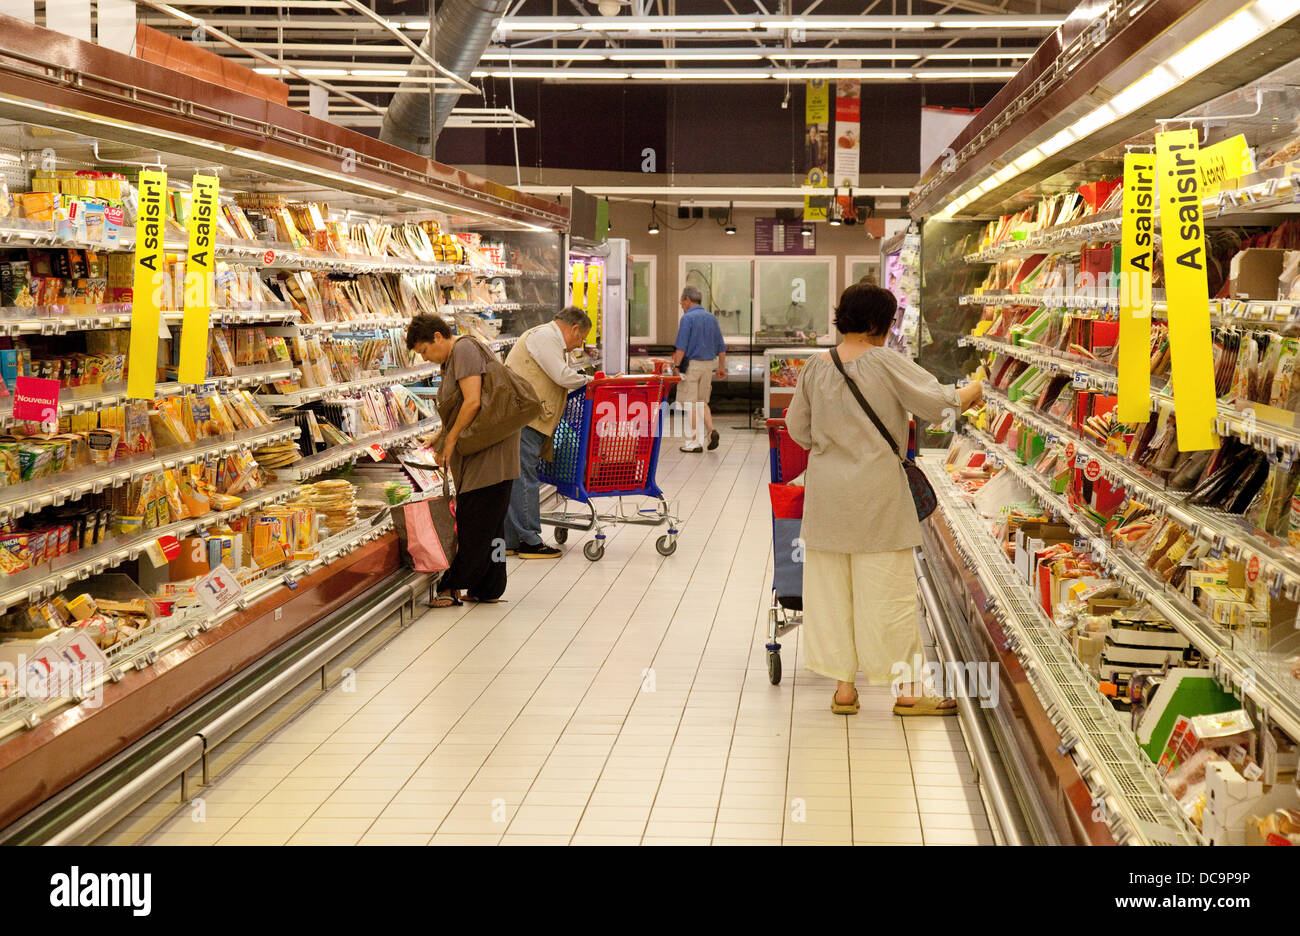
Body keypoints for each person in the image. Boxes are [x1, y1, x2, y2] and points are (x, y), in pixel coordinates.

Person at [785, 284, 982, 716]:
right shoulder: (887, 363)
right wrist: (974, 389)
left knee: (833, 596)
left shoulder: (816, 367)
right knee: (888, 597)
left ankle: (843, 691)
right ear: (877, 323)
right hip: (877, 500)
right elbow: (939, 405)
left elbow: (797, 429)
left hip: (828, 502)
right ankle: (908, 692)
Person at [406, 313, 520, 607]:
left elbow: (473, 402)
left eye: (425, 350)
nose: (426, 357)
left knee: (476, 520)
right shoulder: (454, 357)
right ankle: (490, 587)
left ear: (438, 337)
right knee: (491, 521)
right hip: (489, 447)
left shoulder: (464, 350)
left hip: (489, 453)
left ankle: (452, 587)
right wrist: (440, 434)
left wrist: (451, 441)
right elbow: (460, 406)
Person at [503, 306, 592, 558]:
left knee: (517, 475)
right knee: (524, 477)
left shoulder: (547, 338)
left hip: (527, 417)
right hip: (525, 418)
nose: (578, 345)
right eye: (580, 339)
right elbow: (562, 376)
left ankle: (511, 540)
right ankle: (530, 541)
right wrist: (591, 381)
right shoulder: (544, 337)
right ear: (574, 328)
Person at [672, 285, 727, 453]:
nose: (681, 305)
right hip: (709, 365)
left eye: (682, 302)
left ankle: (694, 442)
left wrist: (675, 366)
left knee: (690, 404)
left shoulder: (687, 319)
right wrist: (721, 368)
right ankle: (711, 431)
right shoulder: (711, 318)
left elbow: (681, 347)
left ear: (688, 300)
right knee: (702, 402)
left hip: (692, 366)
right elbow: (721, 347)